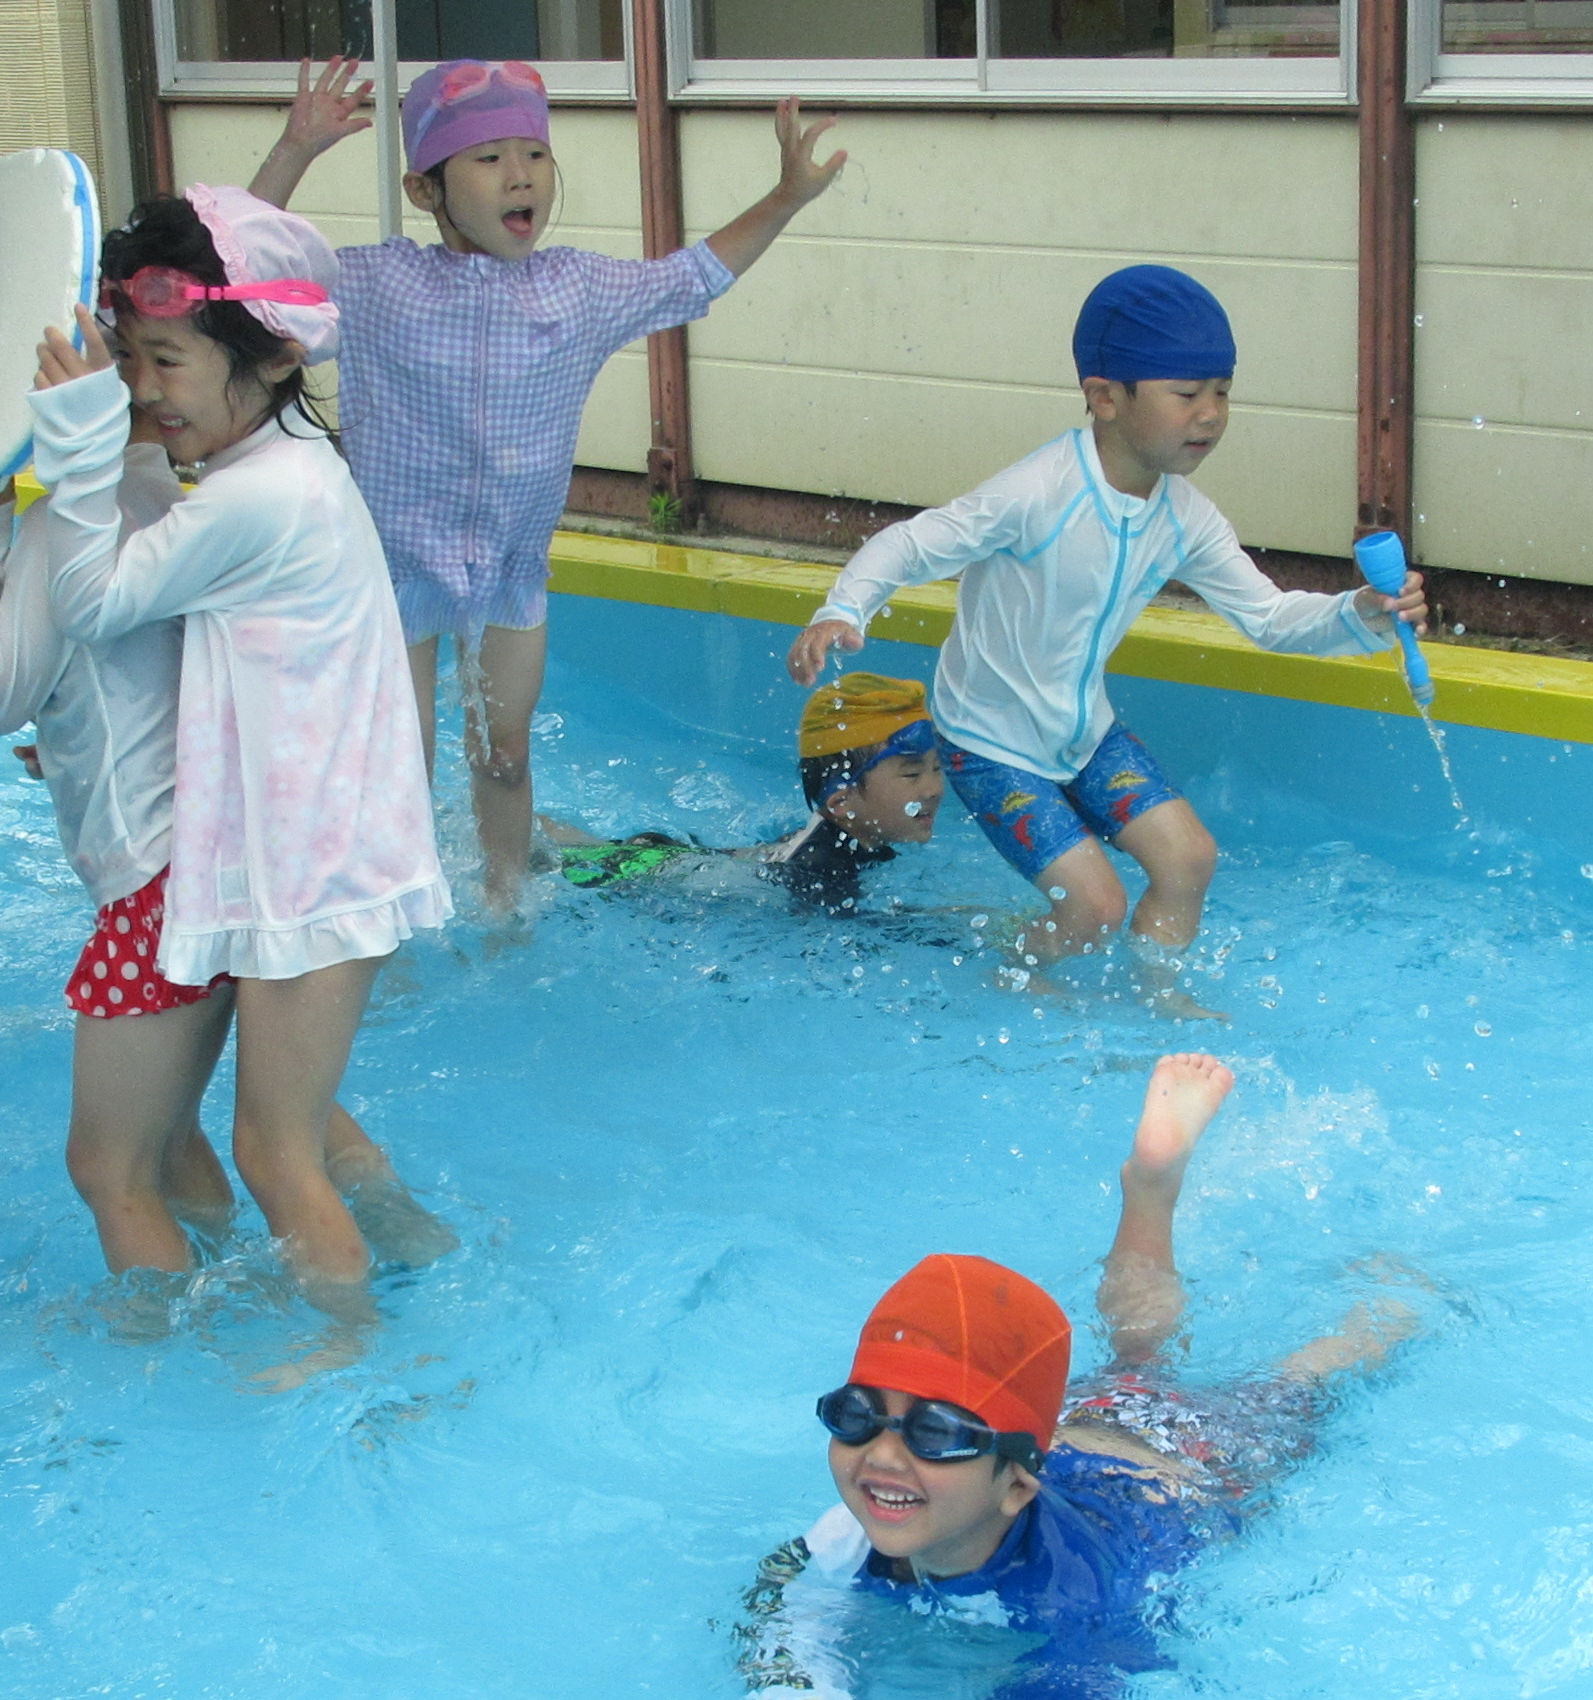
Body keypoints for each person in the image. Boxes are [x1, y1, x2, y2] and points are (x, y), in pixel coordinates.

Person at [714, 1055, 1420, 1700]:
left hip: (1186, 1468)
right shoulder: (865, 1521)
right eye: (857, 1414)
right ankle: (1151, 1187)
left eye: (935, 1432)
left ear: (1017, 1486)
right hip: (1075, 1426)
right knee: (1136, 1356)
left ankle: (1384, 1312)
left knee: (1292, 1386)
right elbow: (785, 1604)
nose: (883, 1453)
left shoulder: (1073, 1593)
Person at [245, 57, 849, 916]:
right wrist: (296, 150)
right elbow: (243, 279)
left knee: (505, 756)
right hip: (390, 574)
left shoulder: (577, 289)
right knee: (393, 768)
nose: (520, 173)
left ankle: (504, 906)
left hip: (508, 573)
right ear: (425, 190)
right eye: (488, 158)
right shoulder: (377, 284)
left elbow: (694, 276)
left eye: (534, 153)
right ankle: (382, 917)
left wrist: (786, 196)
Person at [26, 187, 450, 1350]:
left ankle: (347, 1351)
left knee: (273, 1147)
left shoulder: (255, 497)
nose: (139, 388)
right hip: (329, 849)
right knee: (298, 1121)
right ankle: (421, 1251)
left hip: (314, 872)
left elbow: (90, 600)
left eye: (164, 360)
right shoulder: (289, 459)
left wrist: (74, 441)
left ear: (268, 360)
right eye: (128, 358)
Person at [787, 265, 1433, 1009]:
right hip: (991, 743)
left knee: (1189, 859)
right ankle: (1012, 966)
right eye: (1186, 394)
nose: (1211, 414)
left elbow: (1269, 617)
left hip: (1084, 733)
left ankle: (1156, 998)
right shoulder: (1037, 494)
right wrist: (844, 609)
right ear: (1105, 397)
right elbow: (910, 544)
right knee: (1094, 910)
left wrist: (1361, 613)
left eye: (1222, 391)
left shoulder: (1184, 515)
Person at [0, 410, 454, 1278]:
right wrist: (69, 736)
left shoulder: (64, 526)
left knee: (112, 1170)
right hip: (224, 864)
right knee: (223, 1137)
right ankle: (408, 1251)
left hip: (151, 884)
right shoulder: (169, 498)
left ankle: (176, 1340)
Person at [543, 671, 945, 916]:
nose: (934, 788)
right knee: (552, 857)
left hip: (675, 858)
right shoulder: (821, 869)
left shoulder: (846, 835)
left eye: (937, 768)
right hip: (645, 876)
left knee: (573, 844)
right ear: (840, 802)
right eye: (912, 774)